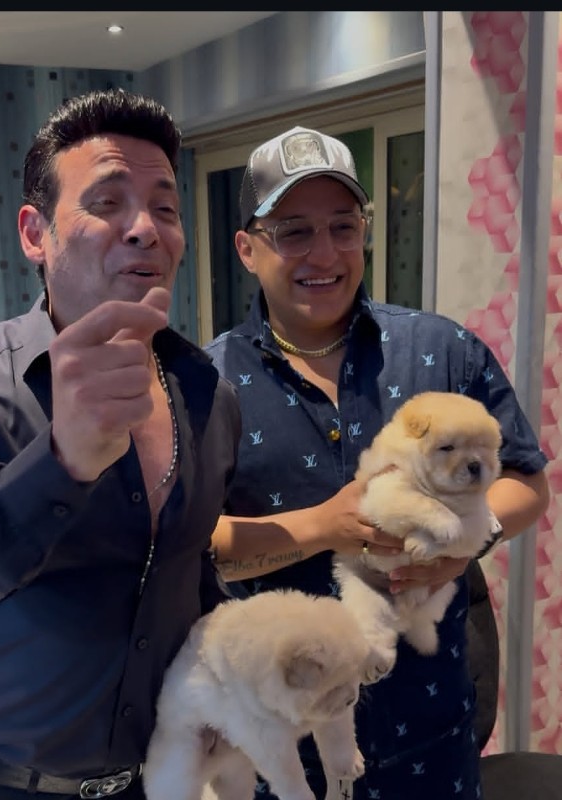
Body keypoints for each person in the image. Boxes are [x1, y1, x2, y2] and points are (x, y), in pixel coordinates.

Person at [0, 88, 241, 800]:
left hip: (158, 783)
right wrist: (61, 463)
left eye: (165, 208)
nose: (145, 229)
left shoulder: (208, 396)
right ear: (35, 234)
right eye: (107, 202)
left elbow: (186, 570)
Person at [205, 125, 549, 800]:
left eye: (343, 226)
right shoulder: (205, 384)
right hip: (285, 749)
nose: (324, 253)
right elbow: (192, 543)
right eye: (294, 232)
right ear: (247, 248)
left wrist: (464, 542)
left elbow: (525, 480)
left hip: (435, 732)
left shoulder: (442, 351)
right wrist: (323, 527)